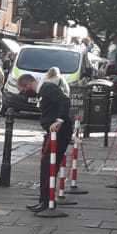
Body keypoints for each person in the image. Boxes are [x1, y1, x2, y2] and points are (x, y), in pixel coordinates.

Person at [20, 71, 73, 213]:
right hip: (53, 134)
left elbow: (65, 101)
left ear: (29, 84)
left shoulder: (47, 88)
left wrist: (59, 121)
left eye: (24, 89)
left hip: (59, 134)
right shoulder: (43, 90)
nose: (25, 93)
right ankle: (44, 200)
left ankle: (47, 201)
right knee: (47, 166)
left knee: (48, 166)